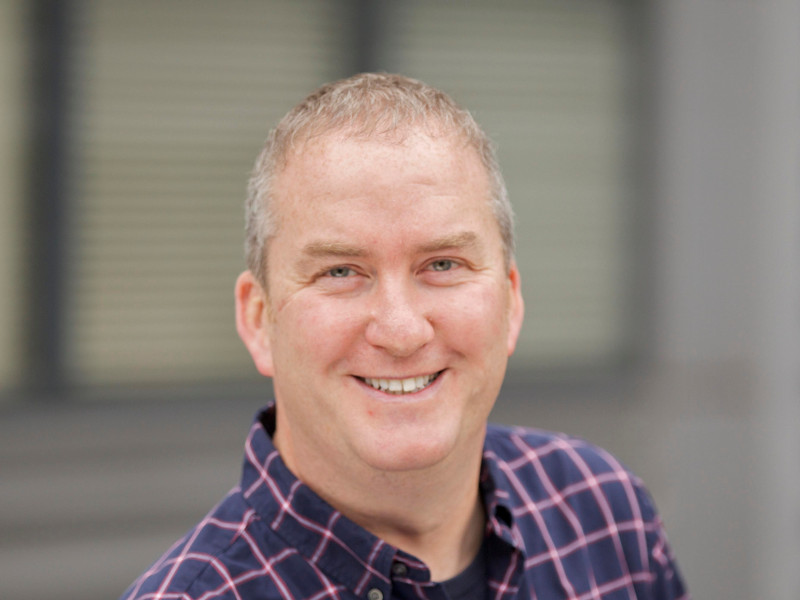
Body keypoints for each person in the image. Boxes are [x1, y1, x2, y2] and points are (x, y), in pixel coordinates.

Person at [120, 73, 688, 600]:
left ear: (511, 302)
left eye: (442, 264)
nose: (400, 331)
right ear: (257, 320)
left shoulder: (604, 517)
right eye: (341, 272)